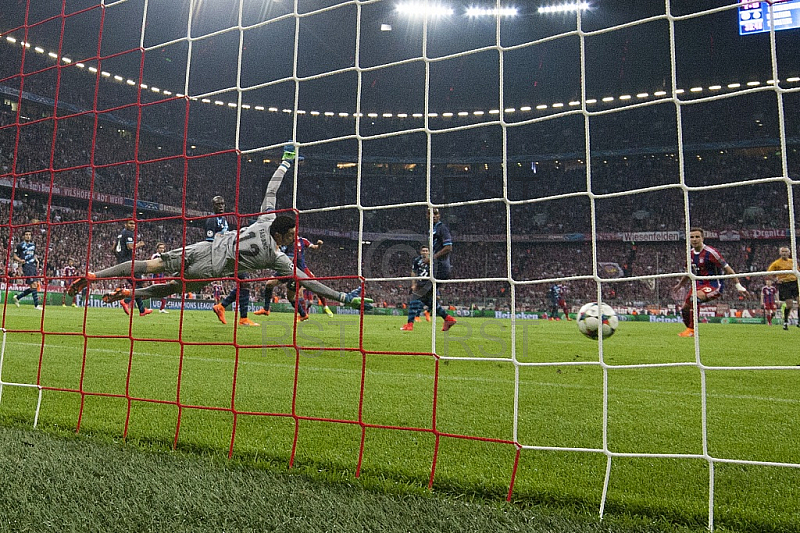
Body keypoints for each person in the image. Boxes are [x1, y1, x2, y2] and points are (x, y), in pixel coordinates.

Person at [67, 145, 372, 315]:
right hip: (212, 266)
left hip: (203, 247)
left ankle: (96, 275)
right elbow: (309, 281)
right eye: (293, 233)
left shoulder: (266, 219)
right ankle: (131, 292)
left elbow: (271, 191)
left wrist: (284, 164)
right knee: (171, 287)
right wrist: (345, 298)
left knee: (152, 264)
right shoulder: (278, 258)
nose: (295, 236)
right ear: (285, 233)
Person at [672, 227, 750, 337]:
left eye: (697, 237)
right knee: (685, 308)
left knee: (694, 298)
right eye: (692, 237)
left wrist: (739, 286)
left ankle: (692, 330)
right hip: (698, 284)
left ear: (702, 238)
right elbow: (688, 273)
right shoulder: (690, 254)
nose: (694, 239)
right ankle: (689, 329)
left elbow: (728, 269)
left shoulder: (711, 253)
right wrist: (680, 285)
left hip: (713, 285)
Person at [400, 210, 457, 332]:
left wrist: (433, 258)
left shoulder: (442, 228)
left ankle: (409, 325)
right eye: (431, 214)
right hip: (437, 267)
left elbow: (448, 247)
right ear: (427, 216)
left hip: (440, 268)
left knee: (417, 294)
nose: (433, 216)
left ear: (439, 215)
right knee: (426, 298)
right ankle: (448, 318)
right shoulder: (432, 230)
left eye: (436, 214)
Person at [206, 195, 257, 327]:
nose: (221, 206)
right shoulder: (212, 220)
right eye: (218, 204)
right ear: (213, 206)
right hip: (223, 257)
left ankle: (222, 307)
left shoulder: (223, 220)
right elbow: (210, 242)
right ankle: (242, 318)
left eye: (222, 204)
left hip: (229, 254)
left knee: (244, 283)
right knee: (245, 282)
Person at [254, 236, 334, 319]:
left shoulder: (302, 241)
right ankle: (266, 309)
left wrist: (319, 245)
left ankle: (321, 307)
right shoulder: (283, 240)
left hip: (298, 272)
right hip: (286, 268)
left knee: (294, 295)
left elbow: (314, 247)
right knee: (269, 283)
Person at [112, 219, 152, 316]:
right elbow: (130, 247)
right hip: (129, 264)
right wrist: (139, 244)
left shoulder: (120, 234)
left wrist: (120, 259)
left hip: (122, 263)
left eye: (134, 224)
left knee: (136, 286)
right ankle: (126, 301)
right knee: (140, 284)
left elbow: (113, 249)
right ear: (125, 224)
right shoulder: (129, 233)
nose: (133, 225)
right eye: (130, 223)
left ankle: (142, 310)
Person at [767, 246, 799, 330]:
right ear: (780, 253)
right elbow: (768, 273)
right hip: (785, 284)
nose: (784, 253)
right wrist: (775, 279)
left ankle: (799, 321)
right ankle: (785, 322)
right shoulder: (776, 263)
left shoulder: (793, 262)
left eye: (786, 251)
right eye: (783, 252)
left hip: (794, 283)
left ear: (789, 253)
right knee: (789, 304)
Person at [12, 229, 43, 310]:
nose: (28, 236)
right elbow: (14, 256)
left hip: (33, 266)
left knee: (34, 286)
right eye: (26, 234)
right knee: (34, 285)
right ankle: (36, 305)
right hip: (26, 266)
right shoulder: (20, 245)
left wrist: (36, 260)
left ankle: (18, 297)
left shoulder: (33, 245)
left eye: (29, 234)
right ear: (24, 236)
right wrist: (20, 260)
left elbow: (33, 254)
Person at [150, 242, 169, 313]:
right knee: (154, 292)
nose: (162, 249)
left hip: (162, 277)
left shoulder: (165, 256)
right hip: (156, 277)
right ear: (157, 249)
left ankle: (162, 309)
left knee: (165, 292)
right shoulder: (155, 256)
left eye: (163, 248)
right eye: (160, 248)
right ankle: (139, 301)